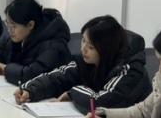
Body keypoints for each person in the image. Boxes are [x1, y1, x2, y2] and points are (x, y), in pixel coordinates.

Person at [13, 15, 150, 112]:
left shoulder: (129, 70)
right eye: (83, 41)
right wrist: (30, 90)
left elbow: (102, 103)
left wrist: (73, 93)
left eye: (91, 47)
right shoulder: (87, 61)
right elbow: (58, 77)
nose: (83, 49)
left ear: (107, 50)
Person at [0, 0, 70, 85]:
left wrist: (7, 69)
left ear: (30, 25)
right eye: (7, 24)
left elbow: (32, 75)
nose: (9, 30)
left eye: (13, 26)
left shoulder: (53, 45)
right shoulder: (17, 37)